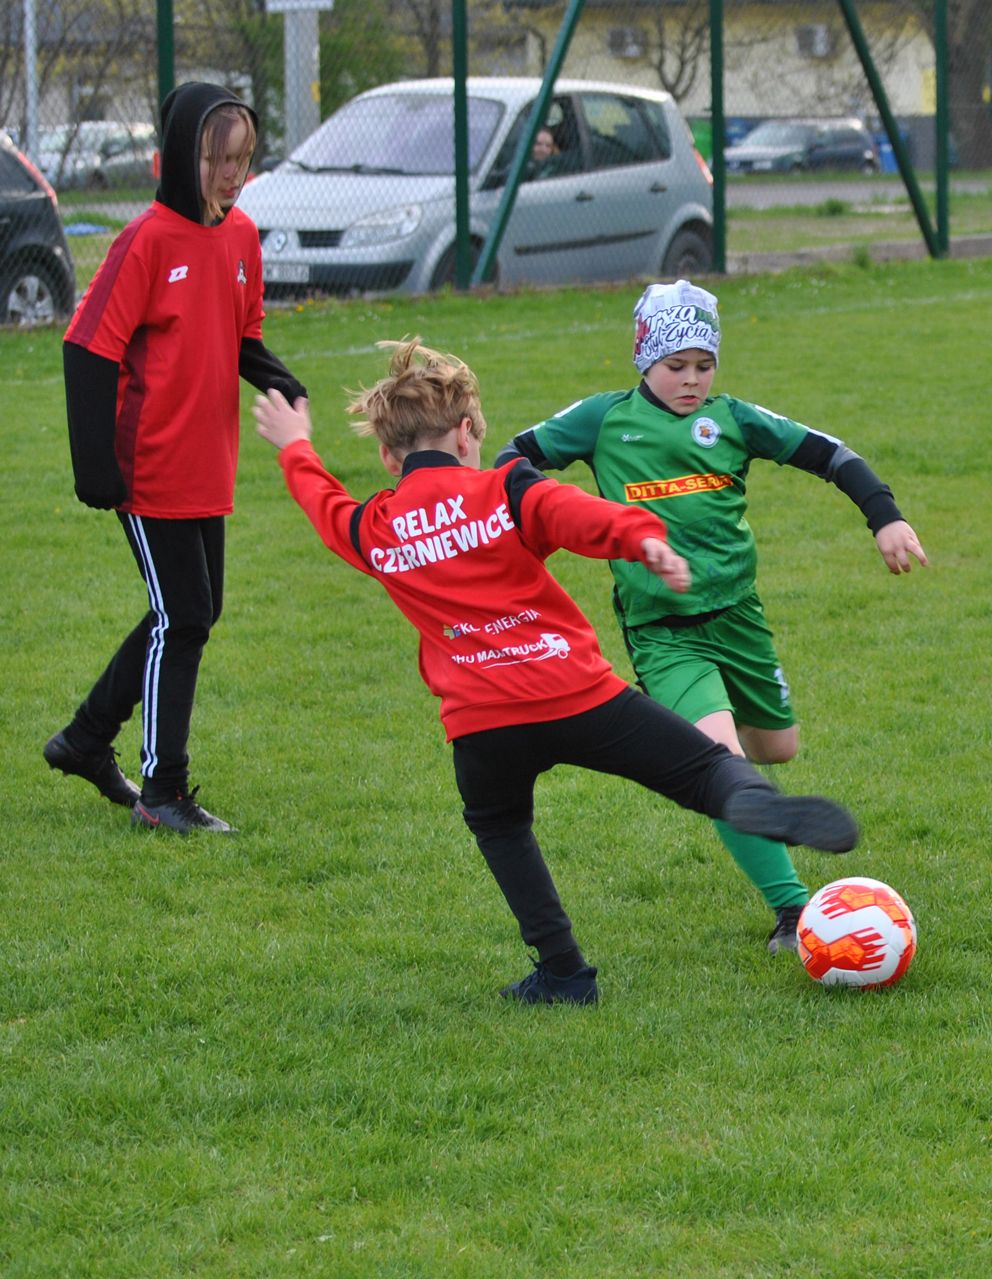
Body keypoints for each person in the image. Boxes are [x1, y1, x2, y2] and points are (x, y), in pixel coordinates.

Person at [251, 338, 860, 1005]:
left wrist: (294, 444)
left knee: (501, 825)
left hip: (481, 722)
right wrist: (641, 537)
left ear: (387, 456)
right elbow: (571, 513)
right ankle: (751, 799)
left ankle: (564, 971)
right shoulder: (502, 489)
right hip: (574, 693)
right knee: (704, 770)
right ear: (466, 433)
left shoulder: (378, 525)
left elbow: (321, 503)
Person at [496, 280, 926, 955]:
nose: (692, 381)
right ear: (644, 358)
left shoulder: (732, 418)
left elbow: (828, 453)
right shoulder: (602, 419)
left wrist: (886, 517)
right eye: (676, 367)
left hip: (740, 618)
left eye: (704, 365)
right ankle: (792, 912)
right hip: (664, 632)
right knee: (723, 764)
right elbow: (512, 459)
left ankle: (749, 789)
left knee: (775, 749)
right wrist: (543, 509)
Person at [46, 82, 307, 833]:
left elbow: (240, 335)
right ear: (181, 155)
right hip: (149, 465)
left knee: (192, 610)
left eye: (244, 159)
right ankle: (163, 793)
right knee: (183, 613)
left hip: (207, 463)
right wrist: (95, 467)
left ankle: (88, 738)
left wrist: (277, 378)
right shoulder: (147, 240)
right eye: (218, 159)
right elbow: (86, 348)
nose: (232, 174)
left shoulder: (242, 236)